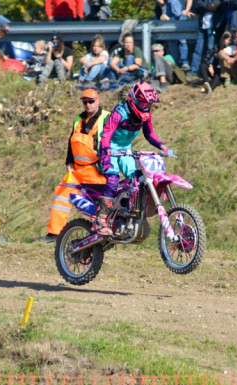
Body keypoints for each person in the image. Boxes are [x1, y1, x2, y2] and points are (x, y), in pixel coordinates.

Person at [95, 82, 173, 237]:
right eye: (143, 102)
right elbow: (107, 133)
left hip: (125, 149)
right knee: (112, 179)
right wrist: (107, 150)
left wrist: (162, 146)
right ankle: (101, 219)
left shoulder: (146, 115)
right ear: (134, 100)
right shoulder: (120, 112)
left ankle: (127, 210)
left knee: (135, 180)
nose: (146, 106)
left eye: (149, 103)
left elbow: (150, 134)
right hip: (109, 147)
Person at [43, 87, 112, 241]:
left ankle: (100, 233)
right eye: (85, 102)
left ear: (98, 101)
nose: (88, 105)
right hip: (76, 170)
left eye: (91, 102)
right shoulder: (78, 119)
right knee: (62, 194)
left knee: (98, 204)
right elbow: (71, 141)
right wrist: (69, 161)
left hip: (96, 171)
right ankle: (55, 234)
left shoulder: (107, 118)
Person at [155, 0, 192, 70]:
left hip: (178, 27)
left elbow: (178, 16)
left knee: (182, 42)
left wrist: (168, 18)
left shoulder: (173, 2)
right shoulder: (167, 3)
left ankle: (183, 62)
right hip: (172, 28)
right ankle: (176, 64)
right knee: (172, 45)